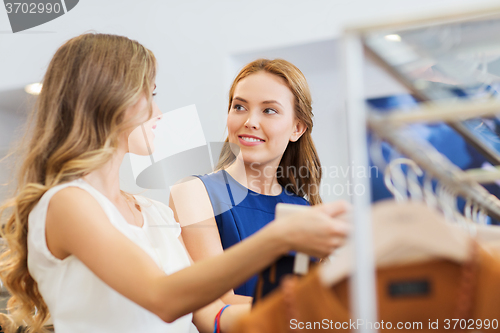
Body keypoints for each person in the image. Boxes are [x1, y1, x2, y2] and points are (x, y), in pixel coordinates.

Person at [0, 34, 349, 333]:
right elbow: (165, 298)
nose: (159, 113)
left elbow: (208, 307)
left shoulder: (153, 213)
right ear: (105, 100)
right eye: (148, 96)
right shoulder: (68, 203)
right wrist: (279, 239)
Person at [169, 59, 344, 304]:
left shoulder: (303, 210)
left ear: (297, 128)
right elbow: (216, 304)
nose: (249, 121)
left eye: (269, 110)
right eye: (239, 107)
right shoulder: (194, 193)